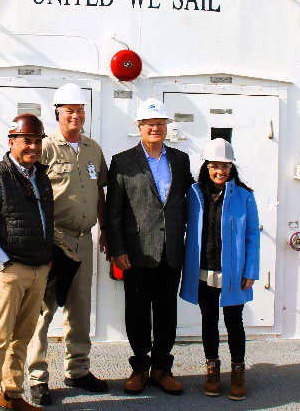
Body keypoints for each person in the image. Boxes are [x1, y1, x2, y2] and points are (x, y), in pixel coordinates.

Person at [27, 83, 109, 405]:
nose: (76, 115)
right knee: (43, 310)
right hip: (54, 239)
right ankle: (37, 377)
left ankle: (78, 370)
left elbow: (100, 192)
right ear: (57, 112)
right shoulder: (45, 148)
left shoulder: (92, 149)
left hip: (83, 239)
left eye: (80, 110)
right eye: (69, 110)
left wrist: (105, 230)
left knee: (79, 307)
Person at [105, 98, 193, 396]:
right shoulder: (123, 161)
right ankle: (140, 368)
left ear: (167, 127)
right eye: (149, 124)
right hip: (137, 251)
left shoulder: (180, 160)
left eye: (160, 123)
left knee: (167, 312)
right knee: (138, 312)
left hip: (171, 251)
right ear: (139, 128)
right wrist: (118, 249)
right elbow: (113, 210)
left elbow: (189, 200)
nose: (155, 128)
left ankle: (162, 369)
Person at [0, 114, 53, 411]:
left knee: (22, 336)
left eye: (37, 141)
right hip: (9, 270)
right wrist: (2, 263)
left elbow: (45, 221)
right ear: (12, 142)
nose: (33, 146)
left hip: (39, 269)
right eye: (27, 141)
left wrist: (47, 260)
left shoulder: (40, 176)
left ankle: (12, 394)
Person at [180, 138, 260, 401]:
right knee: (209, 321)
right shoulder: (194, 194)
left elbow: (252, 236)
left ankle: (238, 372)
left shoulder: (245, 196)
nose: (220, 171)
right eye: (214, 166)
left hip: (233, 273)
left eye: (225, 166)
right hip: (203, 270)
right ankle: (212, 369)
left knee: (234, 322)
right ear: (206, 166)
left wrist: (251, 270)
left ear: (232, 168)